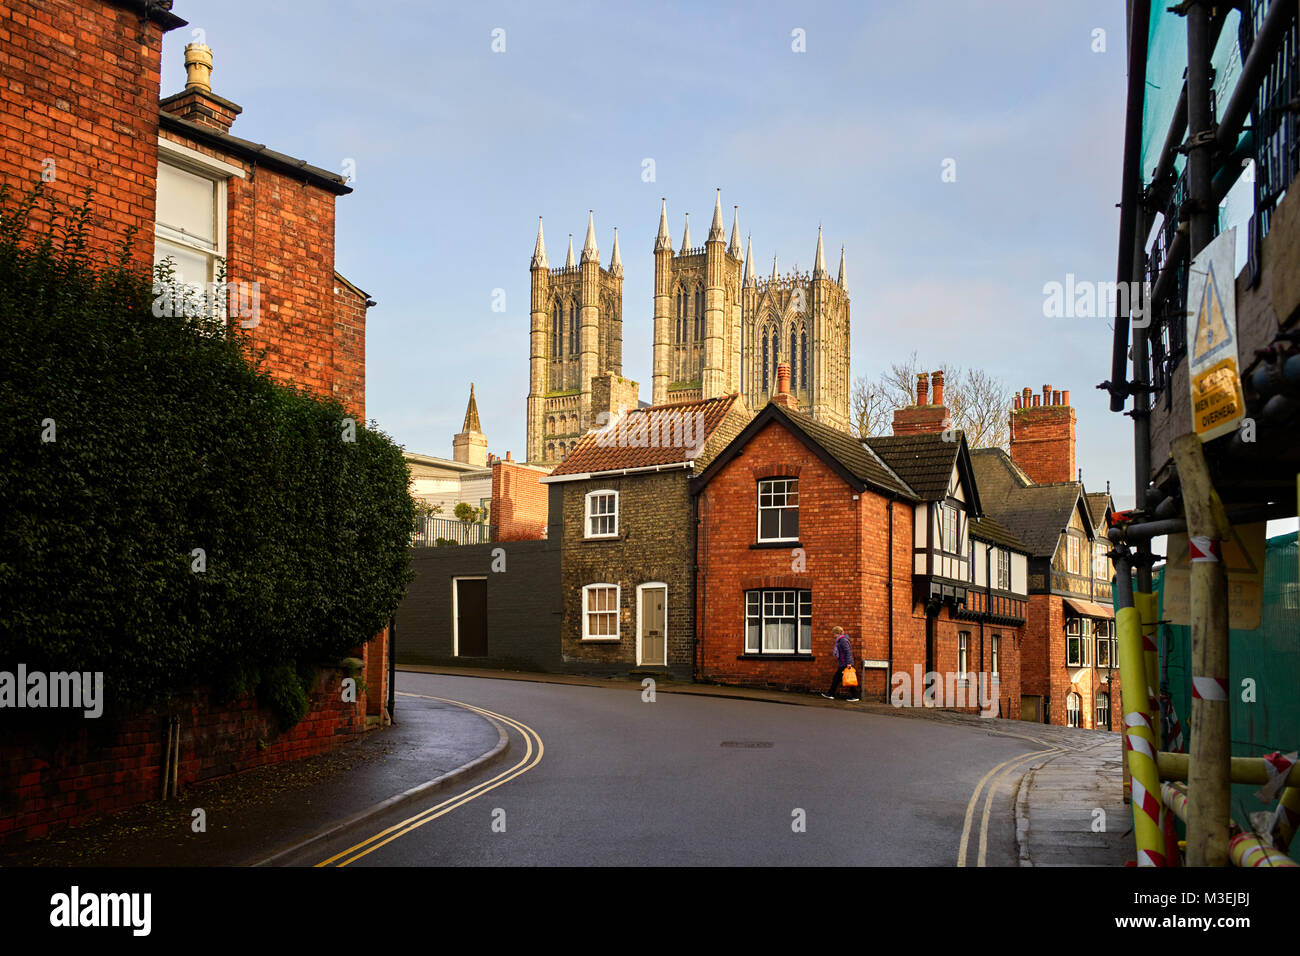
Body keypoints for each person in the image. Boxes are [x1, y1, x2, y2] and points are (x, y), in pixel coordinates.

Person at [821, 625, 859, 701]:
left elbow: (848, 652)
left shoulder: (843, 640)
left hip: (845, 663)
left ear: (837, 633)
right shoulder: (841, 640)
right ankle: (853, 696)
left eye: (834, 634)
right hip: (843, 663)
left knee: (839, 678)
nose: (833, 635)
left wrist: (848, 663)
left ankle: (831, 694)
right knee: (840, 679)